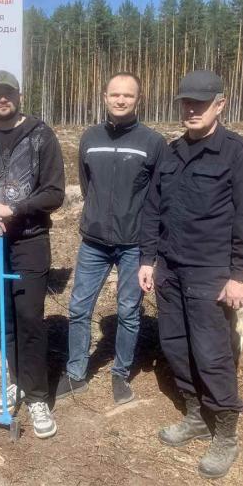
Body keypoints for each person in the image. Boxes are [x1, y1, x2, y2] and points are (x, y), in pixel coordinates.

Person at [138, 70, 243, 479]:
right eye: (186, 102)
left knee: (213, 354)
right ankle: (196, 415)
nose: (191, 109)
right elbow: (153, 210)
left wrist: (241, 273)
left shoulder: (239, 154)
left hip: (212, 272)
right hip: (170, 270)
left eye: (200, 102)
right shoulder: (172, 152)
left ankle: (226, 433)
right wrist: (147, 259)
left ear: (220, 103)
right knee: (176, 347)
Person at [0, 70, 65, 439]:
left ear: (18, 96)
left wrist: (13, 208)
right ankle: (17, 380)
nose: (2, 99)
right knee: (5, 317)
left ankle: (37, 396)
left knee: (29, 318)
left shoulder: (41, 136)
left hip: (29, 241)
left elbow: (54, 193)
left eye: (8, 93)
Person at [56, 72, 166, 404]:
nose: (121, 100)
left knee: (129, 311)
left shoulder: (152, 142)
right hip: (94, 242)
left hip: (134, 244)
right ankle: (76, 373)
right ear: (104, 97)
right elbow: (88, 186)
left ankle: (120, 375)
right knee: (78, 308)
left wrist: (150, 253)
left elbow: (157, 198)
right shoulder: (90, 138)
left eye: (128, 96)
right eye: (115, 94)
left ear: (138, 99)